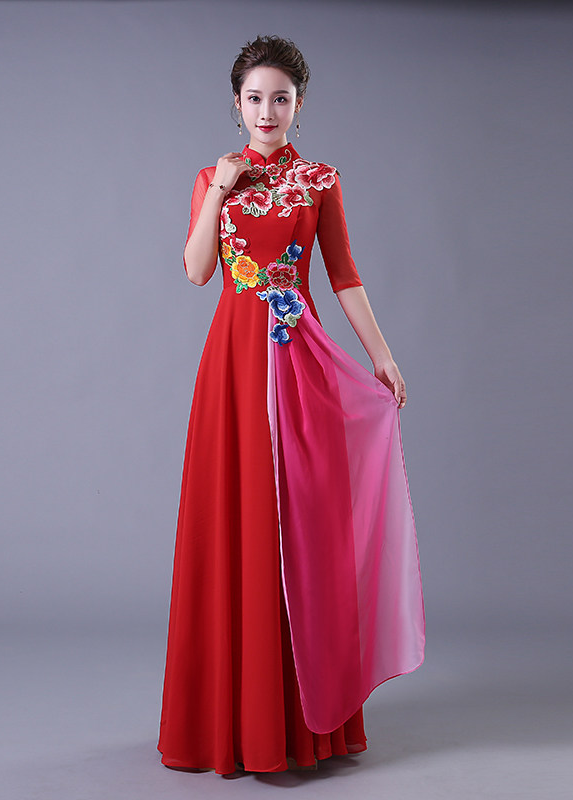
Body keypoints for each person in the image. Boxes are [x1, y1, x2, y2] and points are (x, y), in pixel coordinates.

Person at [158, 35, 425, 776]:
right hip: (232, 369)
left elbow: (344, 275)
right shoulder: (212, 177)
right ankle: (236, 724)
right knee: (234, 522)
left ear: (299, 105)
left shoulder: (319, 182)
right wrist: (222, 188)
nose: (267, 111)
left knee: (301, 527)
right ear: (236, 103)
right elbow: (197, 271)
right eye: (255, 98)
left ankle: (304, 725)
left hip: (297, 360)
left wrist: (382, 355)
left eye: (280, 98)